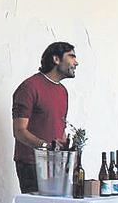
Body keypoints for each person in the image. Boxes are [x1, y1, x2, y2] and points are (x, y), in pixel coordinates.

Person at [11, 42, 78, 193]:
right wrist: (46, 147)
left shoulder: (62, 91)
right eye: (71, 56)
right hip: (32, 163)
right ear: (56, 59)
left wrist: (66, 151)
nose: (76, 62)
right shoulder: (29, 87)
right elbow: (19, 131)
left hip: (57, 165)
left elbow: (59, 128)